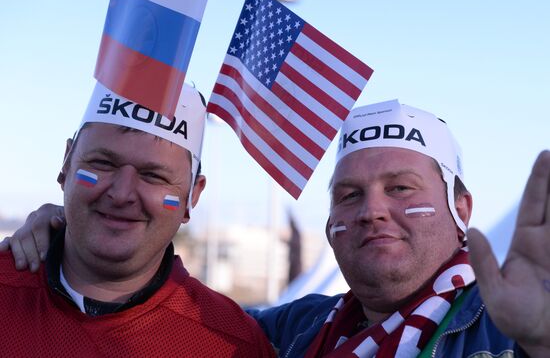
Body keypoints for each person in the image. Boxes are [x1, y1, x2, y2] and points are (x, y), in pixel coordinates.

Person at [4, 100, 549, 357]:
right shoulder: (290, 333)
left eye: (402, 189)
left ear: (464, 208)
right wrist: (69, 237)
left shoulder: (508, 328)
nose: (372, 210)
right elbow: (162, 315)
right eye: (349, 195)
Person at [0, 82, 275, 357]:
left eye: (153, 176)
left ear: (192, 196)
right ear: (66, 164)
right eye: (103, 163)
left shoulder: (234, 344)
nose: (122, 194)